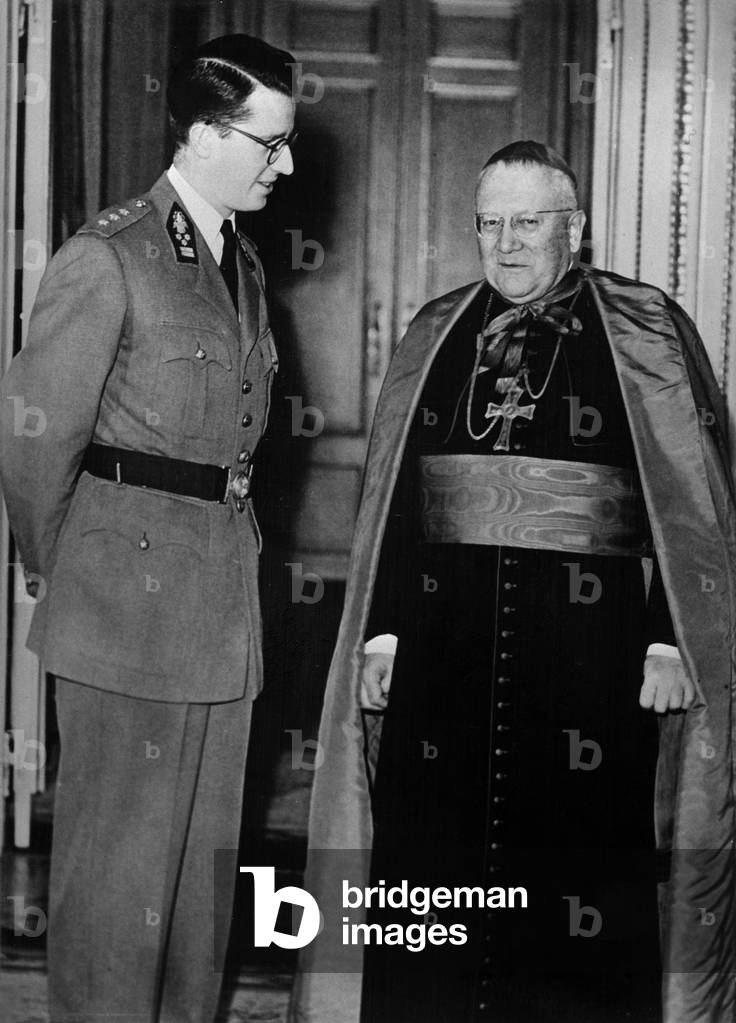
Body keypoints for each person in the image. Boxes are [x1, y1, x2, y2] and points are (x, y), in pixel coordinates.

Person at [291, 141, 736, 1023]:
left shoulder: (645, 331)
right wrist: (381, 630)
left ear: (576, 227)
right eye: (489, 224)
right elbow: (394, 499)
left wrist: (668, 633)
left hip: (590, 655)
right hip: (443, 645)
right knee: (431, 871)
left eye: (528, 222)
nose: (507, 243)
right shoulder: (438, 329)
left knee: (576, 874)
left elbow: (697, 507)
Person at [0, 33, 297, 1023]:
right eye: (270, 143)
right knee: (115, 896)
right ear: (209, 135)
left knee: (196, 905)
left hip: (222, 612)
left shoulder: (239, 260)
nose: (284, 163)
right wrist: (80, 577)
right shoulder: (110, 255)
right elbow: (35, 446)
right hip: (125, 617)